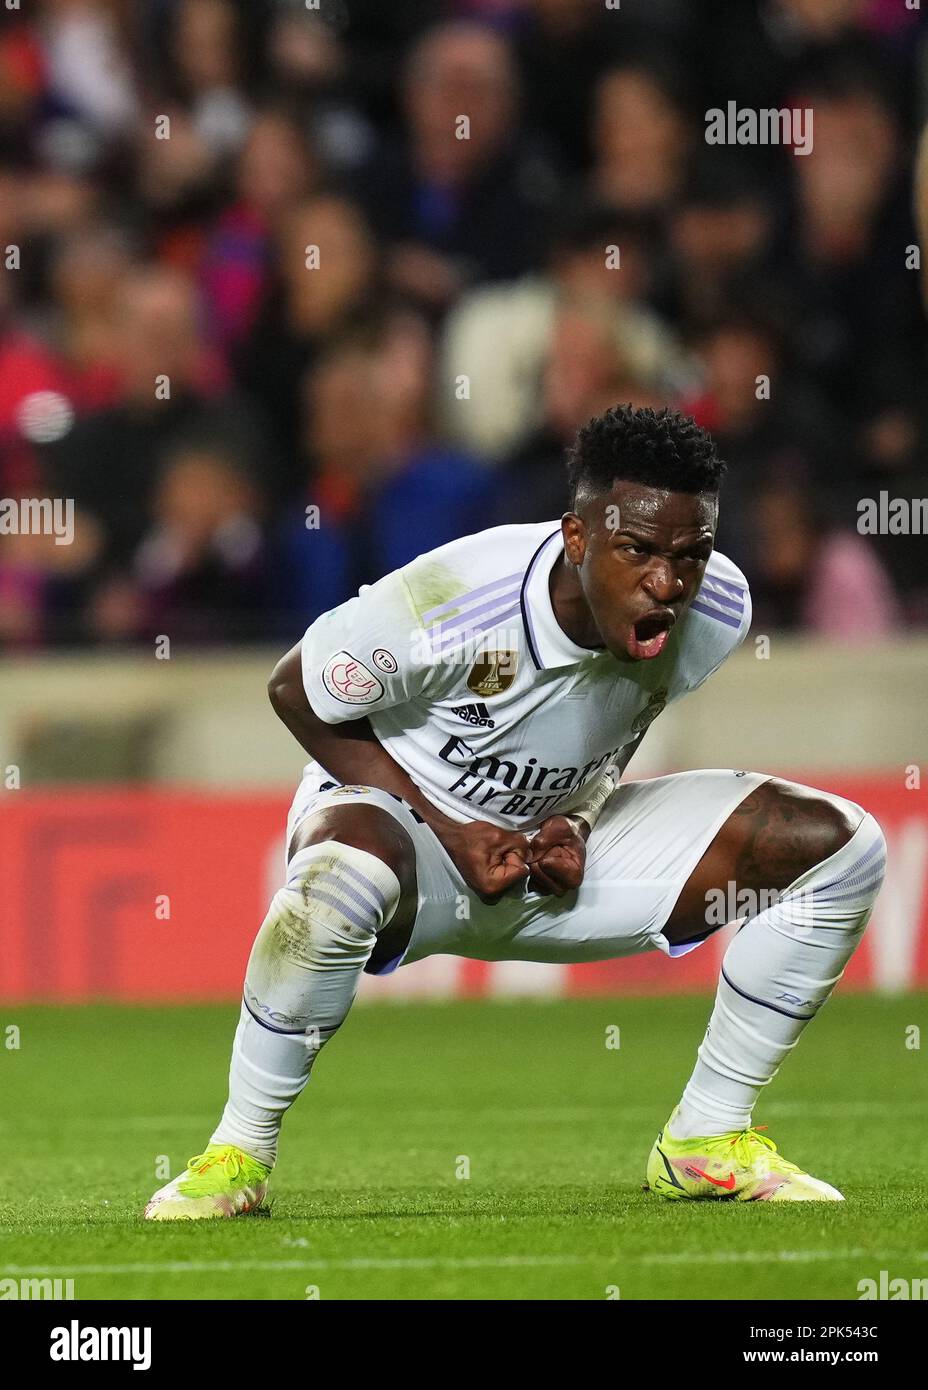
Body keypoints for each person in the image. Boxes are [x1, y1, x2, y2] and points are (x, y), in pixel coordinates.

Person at [145, 405, 885, 1219]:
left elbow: (614, 730)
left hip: (547, 861)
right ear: (576, 537)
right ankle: (236, 1156)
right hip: (412, 845)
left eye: (690, 554)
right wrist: (449, 827)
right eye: (636, 550)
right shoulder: (456, 598)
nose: (666, 584)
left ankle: (705, 1142)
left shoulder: (715, 612)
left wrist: (583, 820)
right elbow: (296, 689)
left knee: (839, 846)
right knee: (336, 881)